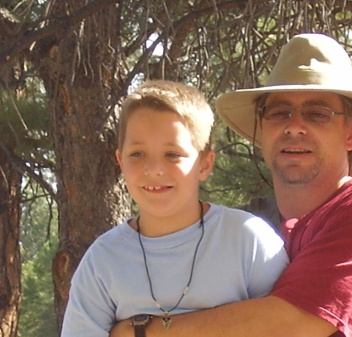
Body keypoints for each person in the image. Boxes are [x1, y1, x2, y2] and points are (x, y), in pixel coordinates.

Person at [110, 34, 352, 337]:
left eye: (317, 114)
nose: (294, 126)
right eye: (278, 112)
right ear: (262, 128)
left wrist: (142, 330)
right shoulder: (247, 232)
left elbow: (290, 325)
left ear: (351, 134)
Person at [60, 79, 288, 337]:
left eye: (172, 155)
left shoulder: (248, 240)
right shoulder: (103, 260)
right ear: (120, 161)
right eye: (137, 154)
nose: (154, 169)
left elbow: (287, 326)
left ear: (204, 164)